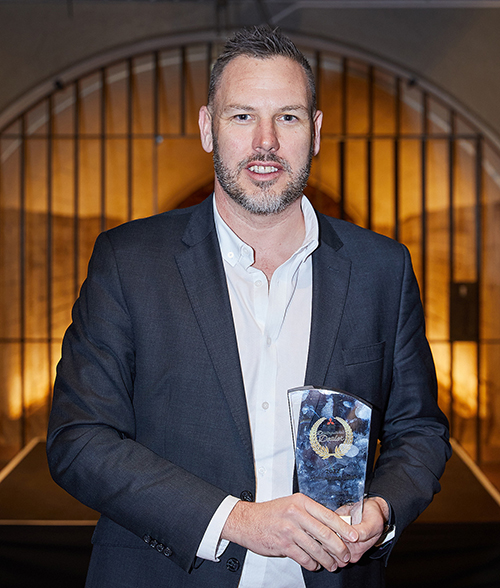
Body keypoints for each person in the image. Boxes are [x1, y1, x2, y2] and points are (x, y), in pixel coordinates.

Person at [47, 26, 451, 588]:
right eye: (242, 116)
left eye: (287, 117)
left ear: (315, 132)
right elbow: (79, 439)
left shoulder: (382, 269)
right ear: (207, 128)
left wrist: (381, 511)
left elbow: (419, 429)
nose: (266, 141)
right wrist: (237, 521)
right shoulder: (128, 261)